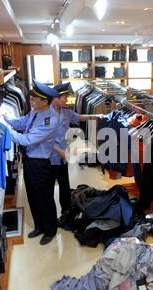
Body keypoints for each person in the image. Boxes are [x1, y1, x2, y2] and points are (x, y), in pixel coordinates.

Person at [3, 80, 60, 246]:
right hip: (29, 162)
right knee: (32, 197)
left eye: (34, 99)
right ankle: (39, 226)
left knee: (45, 198)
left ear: (44, 101)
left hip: (41, 165)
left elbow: (26, 139)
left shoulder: (50, 120)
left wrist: (4, 129)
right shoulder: (35, 112)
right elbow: (21, 122)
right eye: (31, 98)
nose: (31, 101)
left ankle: (50, 230)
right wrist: (5, 118)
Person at [51, 83, 104, 219]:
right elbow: (42, 139)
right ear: (55, 98)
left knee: (64, 185)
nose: (66, 100)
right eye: (64, 97)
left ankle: (66, 211)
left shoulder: (67, 112)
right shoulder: (45, 113)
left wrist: (96, 116)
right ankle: (50, 216)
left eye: (67, 97)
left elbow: (79, 117)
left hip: (63, 157)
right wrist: (59, 151)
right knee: (48, 188)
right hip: (48, 158)